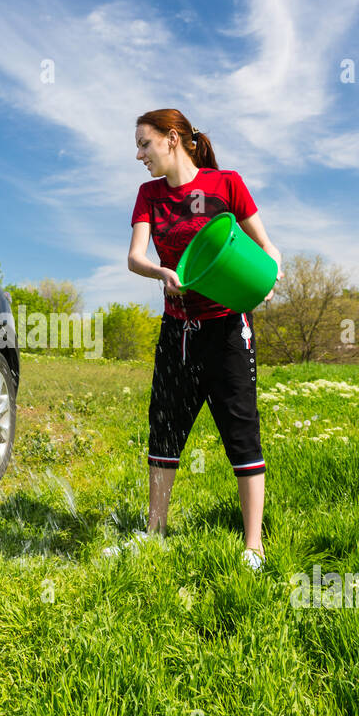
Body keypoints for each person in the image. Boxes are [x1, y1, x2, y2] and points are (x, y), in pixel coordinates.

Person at [127, 108, 282, 570]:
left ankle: (252, 545)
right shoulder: (149, 195)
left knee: (241, 428)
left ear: (172, 139)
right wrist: (160, 270)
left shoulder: (226, 184)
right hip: (178, 330)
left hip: (228, 328)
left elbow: (266, 248)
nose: (139, 155)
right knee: (165, 426)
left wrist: (267, 278)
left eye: (144, 144)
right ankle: (155, 532)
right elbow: (135, 256)